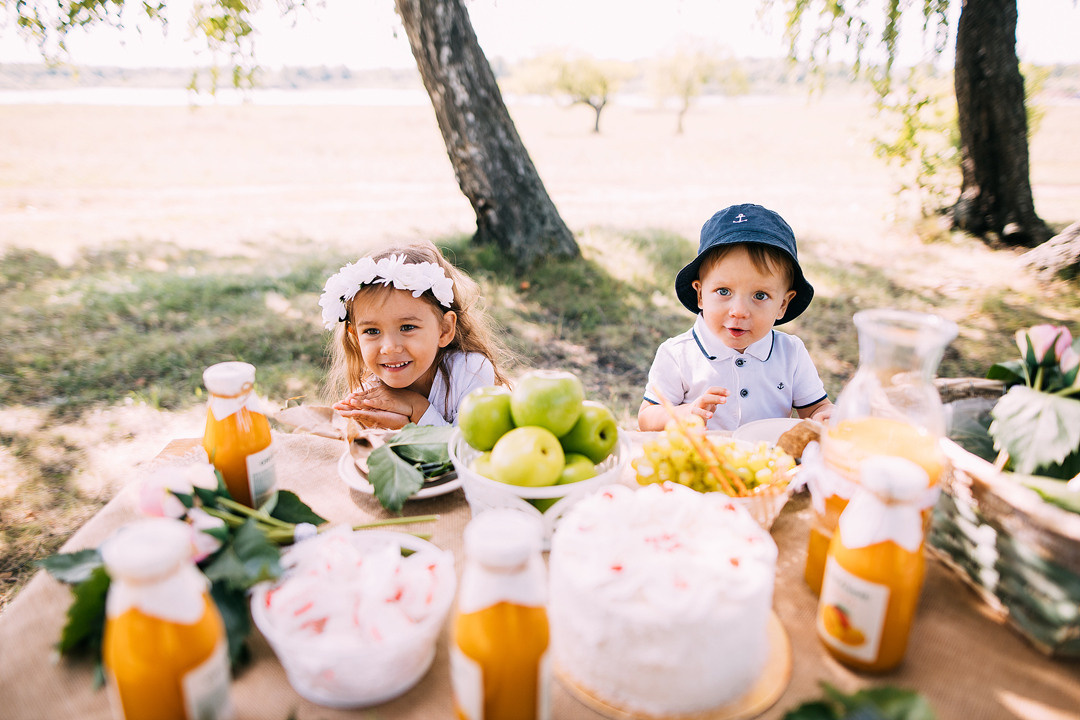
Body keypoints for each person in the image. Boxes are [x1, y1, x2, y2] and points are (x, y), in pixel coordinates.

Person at [638, 203, 834, 432]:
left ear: (782, 304)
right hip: (701, 462)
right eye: (724, 291)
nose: (739, 311)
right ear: (700, 294)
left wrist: (826, 415)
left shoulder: (791, 353)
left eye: (760, 295)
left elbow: (816, 409)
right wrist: (684, 413)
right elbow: (646, 418)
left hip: (768, 464)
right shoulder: (678, 354)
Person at [321, 242, 509, 429]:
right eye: (372, 331)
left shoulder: (470, 371)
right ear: (355, 337)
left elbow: (467, 449)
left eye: (407, 327)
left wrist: (417, 410)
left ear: (444, 329)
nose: (389, 347)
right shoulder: (371, 395)